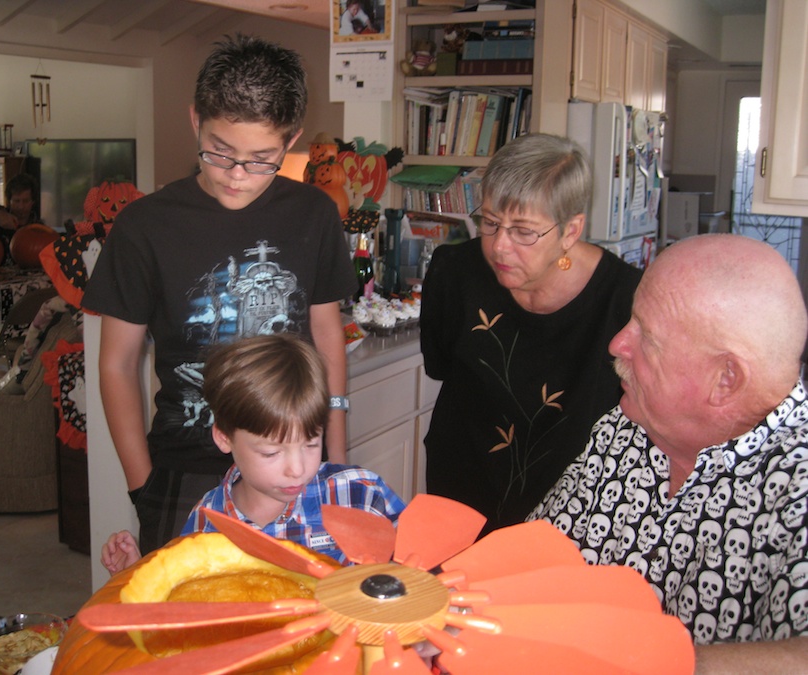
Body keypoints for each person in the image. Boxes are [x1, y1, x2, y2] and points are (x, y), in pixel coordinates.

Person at [84, 34, 357, 555]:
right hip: (184, 467)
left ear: (291, 139)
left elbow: (326, 336)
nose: (237, 175)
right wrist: (143, 486)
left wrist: (334, 465)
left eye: (261, 159)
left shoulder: (314, 214)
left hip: (290, 463)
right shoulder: (145, 225)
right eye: (220, 152)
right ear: (195, 121)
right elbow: (116, 365)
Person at [528, 234, 808, 669]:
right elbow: (534, 559)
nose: (618, 344)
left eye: (648, 338)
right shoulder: (627, 428)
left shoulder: (798, 487)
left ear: (726, 380)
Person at [420, 133, 642, 533]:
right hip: (459, 498)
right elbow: (440, 367)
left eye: (524, 231)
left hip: (570, 512)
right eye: (489, 222)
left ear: (571, 231)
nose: (499, 247)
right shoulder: (454, 272)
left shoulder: (626, 301)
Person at [102, 334, 404, 573]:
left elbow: (423, 568)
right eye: (272, 453)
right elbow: (187, 611)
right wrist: (133, 573)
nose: (297, 469)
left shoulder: (361, 494)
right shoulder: (209, 524)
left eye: (311, 443)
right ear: (224, 437)